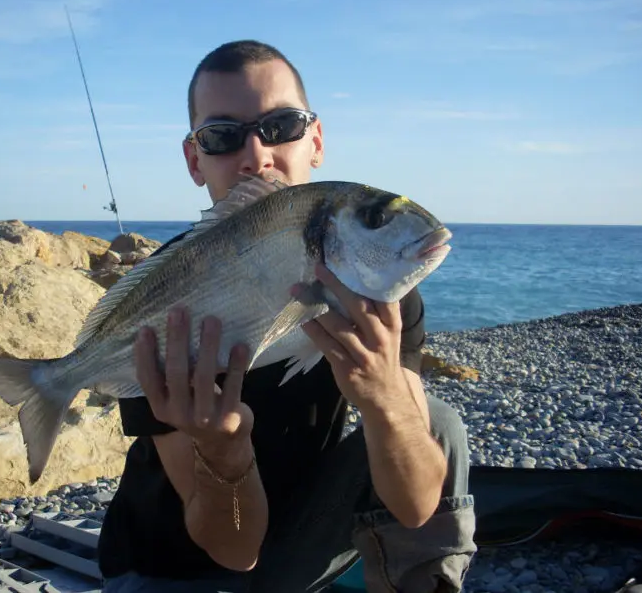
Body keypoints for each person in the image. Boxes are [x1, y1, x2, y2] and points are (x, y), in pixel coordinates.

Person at [97, 40, 477, 592]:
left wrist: (386, 399)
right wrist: (221, 450)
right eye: (222, 137)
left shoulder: (376, 288)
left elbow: (417, 510)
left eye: (281, 126)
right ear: (193, 160)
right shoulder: (163, 303)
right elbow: (231, 548)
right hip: (171, 562)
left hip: (297, 545)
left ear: (315, 140)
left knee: (431, 420)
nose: (256, 156)